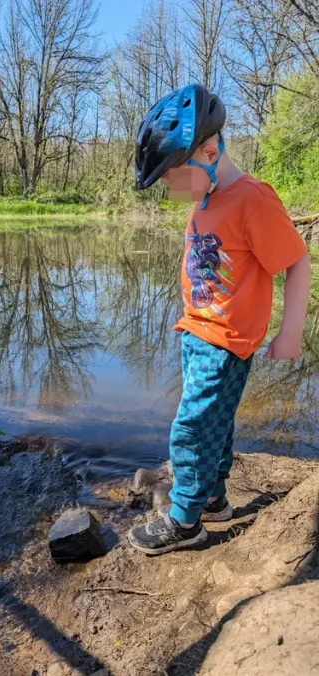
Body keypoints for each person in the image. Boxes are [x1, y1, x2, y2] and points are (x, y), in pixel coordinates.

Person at [128, 84, 310, 555]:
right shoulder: (207, 197)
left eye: (172, 176)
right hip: (199, 333)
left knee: (191, 425)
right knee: (217, 421)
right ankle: (212, 496)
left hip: (226, 341)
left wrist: (290, 333)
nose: (169, 187)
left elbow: (296, 260)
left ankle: (185, 523)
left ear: (210, 151)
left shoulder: (253, 200)